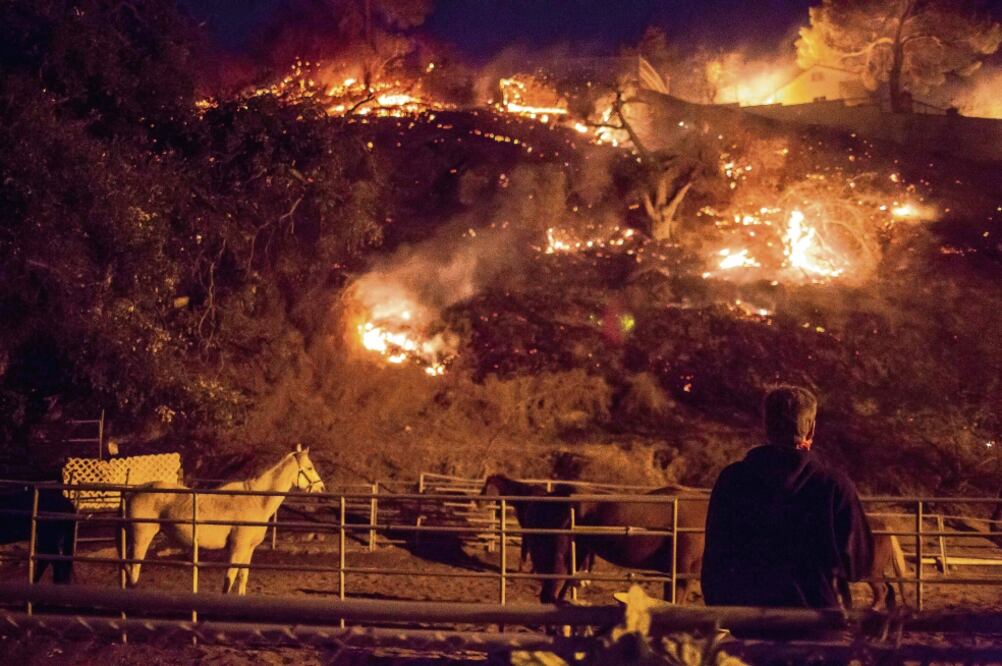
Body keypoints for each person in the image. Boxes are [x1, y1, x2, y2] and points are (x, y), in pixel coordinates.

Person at [701, 386, 873, 610]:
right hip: (819, 623)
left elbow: (715, 559)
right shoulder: (834, 486)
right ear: (810, 428)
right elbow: (858, 566)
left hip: (749, 622)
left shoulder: (733, 480)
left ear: (767, 426)